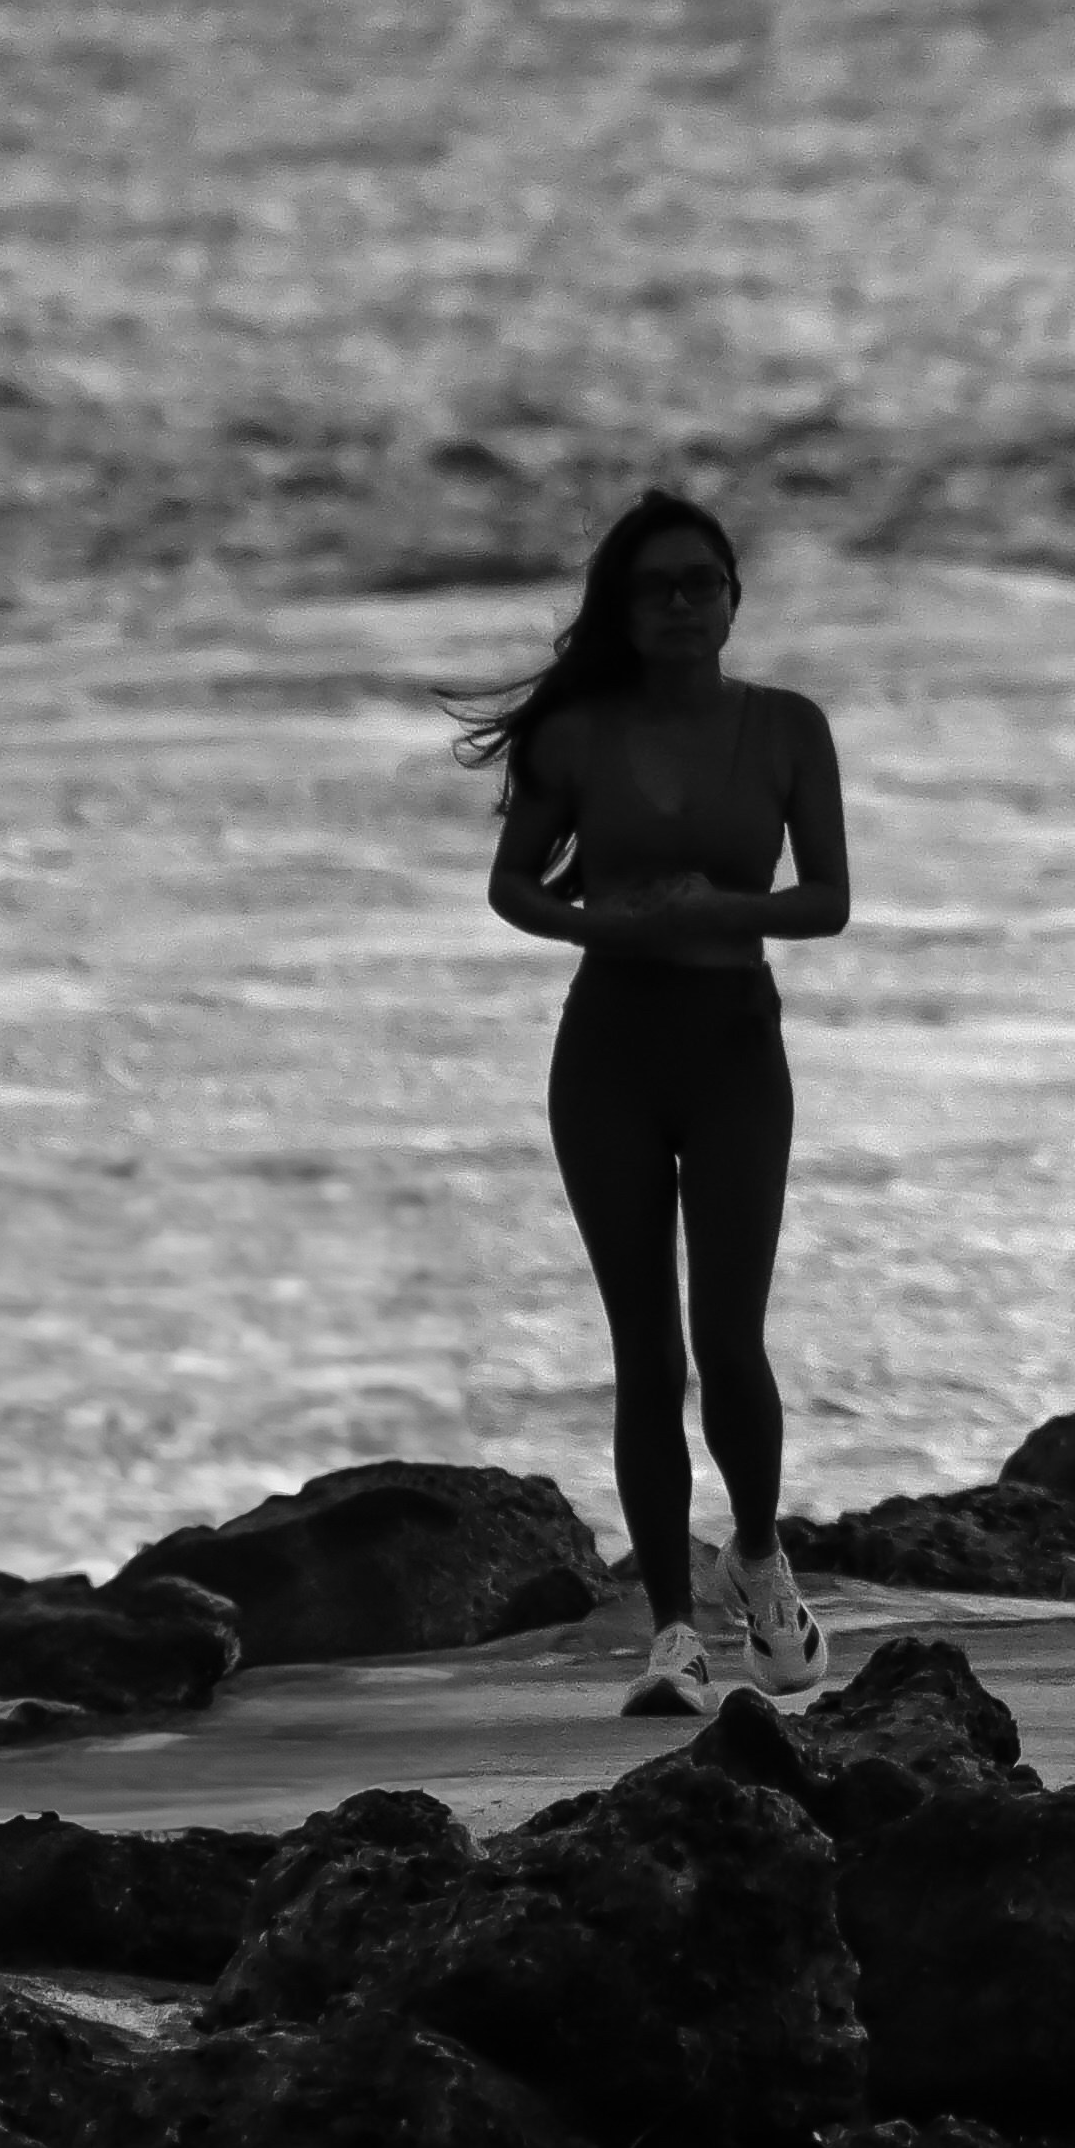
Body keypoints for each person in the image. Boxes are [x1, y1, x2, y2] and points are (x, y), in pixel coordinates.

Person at [459, 488, 850, 1716]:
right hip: (609, 1049)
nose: (681, 604)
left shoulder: (788, 727)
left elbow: (827, 900)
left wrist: (713, 912)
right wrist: (594, 921)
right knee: (645, 1352)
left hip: (735, 1044)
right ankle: (672, 1636)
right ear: (623, 611)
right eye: (656, 588)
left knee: (730, 1339)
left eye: (701, 583)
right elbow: (511, 884)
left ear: (734, 598)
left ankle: (760, 1557)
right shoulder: (577, 736)